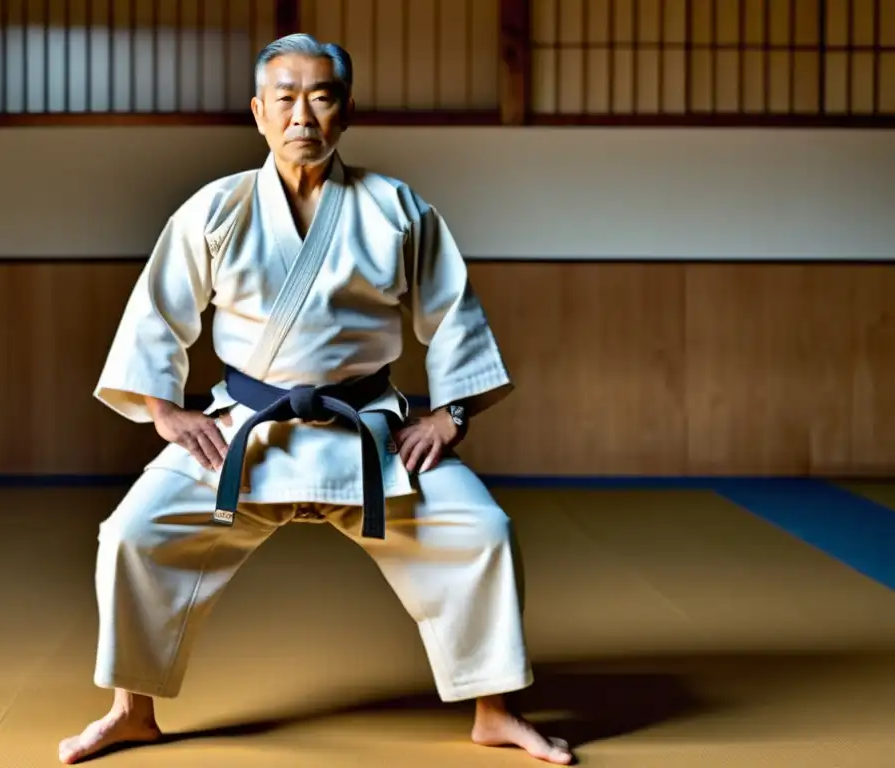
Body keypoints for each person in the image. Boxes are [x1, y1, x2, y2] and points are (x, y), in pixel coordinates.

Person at [58, 33, 574, 766]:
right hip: (244, 432)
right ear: (258, 113)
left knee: (482, 532)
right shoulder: (217, 208)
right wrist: (167, 411)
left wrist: (449, 414)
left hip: (368, 432)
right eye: (286, 99)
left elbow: (453, 314)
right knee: (132, 536)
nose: (303, 115)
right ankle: (130, 711)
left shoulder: (397, 209)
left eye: (321, 98)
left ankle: (495, 710)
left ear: (347, 112)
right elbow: (155, 314)